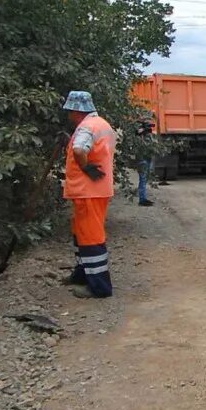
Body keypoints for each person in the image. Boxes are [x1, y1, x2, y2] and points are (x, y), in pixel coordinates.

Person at [62, 90, 116, 298]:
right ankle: (82, 276)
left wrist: (86, 168)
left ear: (77, 110)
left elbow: (79, 150)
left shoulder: (86, 126)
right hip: (98, 190)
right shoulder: (102, 124)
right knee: (83, 235)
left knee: (91, 238)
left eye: (70, 111)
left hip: (88, 191)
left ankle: (99, 288)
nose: (68, 115)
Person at [136, 117, 155, 207]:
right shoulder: (139, 134)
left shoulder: (147, 134)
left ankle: (143, 198)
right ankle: (142, 199)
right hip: (142, 157)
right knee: (143, 178)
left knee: (144, 178)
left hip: (147, 157)